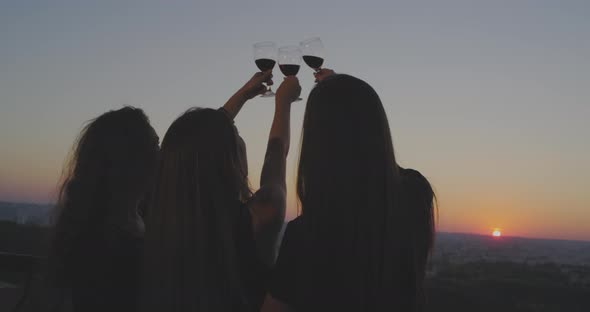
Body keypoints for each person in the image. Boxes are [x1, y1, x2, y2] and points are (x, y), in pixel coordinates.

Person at [262, 71, 436, 312]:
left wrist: (283, 105)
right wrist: (348, 100)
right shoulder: (416, 196)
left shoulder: (307, 234)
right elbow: (382, 165)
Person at [141, 72, 301, 311]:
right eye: (236, 136)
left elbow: (194, 146)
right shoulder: (260, 216)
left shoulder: (152, 217)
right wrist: (283, 101)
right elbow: (277, 152)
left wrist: (243, 94)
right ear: (230, 162)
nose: (240, 136)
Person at [49, 107, 160, 312]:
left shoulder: (140, 216)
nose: (160, 156)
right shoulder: (99, 243)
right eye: (154, 146)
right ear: (130, 161)